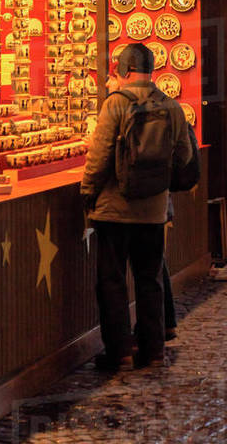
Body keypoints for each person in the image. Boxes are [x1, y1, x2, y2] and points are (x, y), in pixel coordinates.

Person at [81, 43, 192, 371]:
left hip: (115, 211)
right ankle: (154, 351)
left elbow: (99, 157)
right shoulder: (172, 106)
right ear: (152, 69)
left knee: (112, 281)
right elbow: (184, 157)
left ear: (123, 71)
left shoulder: (115, 104)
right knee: (150, 279)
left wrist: (88, 193)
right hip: (154, 211)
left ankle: (120, 354)